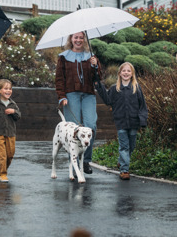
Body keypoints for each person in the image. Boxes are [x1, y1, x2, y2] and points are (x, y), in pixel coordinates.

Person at [55, 31, 102, 174]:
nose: (79, 40)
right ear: (71, 39)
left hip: (88, 94)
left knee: (90, 124)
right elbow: (59, 78)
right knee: (73, 129)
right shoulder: (63, 57)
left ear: (85, 39)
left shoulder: (91, 57)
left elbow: (98, 78)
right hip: (70, 95)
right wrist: (62, 96)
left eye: (81, 37)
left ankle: (86, 161)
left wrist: (95, 66)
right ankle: (74, 165)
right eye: (76, 37)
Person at [94, 62, 148, 180]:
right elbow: (107, 100)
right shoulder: (114, 89)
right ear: (119, 73)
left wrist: (143, 120)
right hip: (121, 122)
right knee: (124, 147)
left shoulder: (136, 88)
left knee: (131, 146)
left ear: (132, 74)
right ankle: (124, 170)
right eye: (124, 71)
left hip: (134, 122)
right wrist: (99, 85)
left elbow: (142, 106)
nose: (126, 73)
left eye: (128, 71)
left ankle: (121, 161)